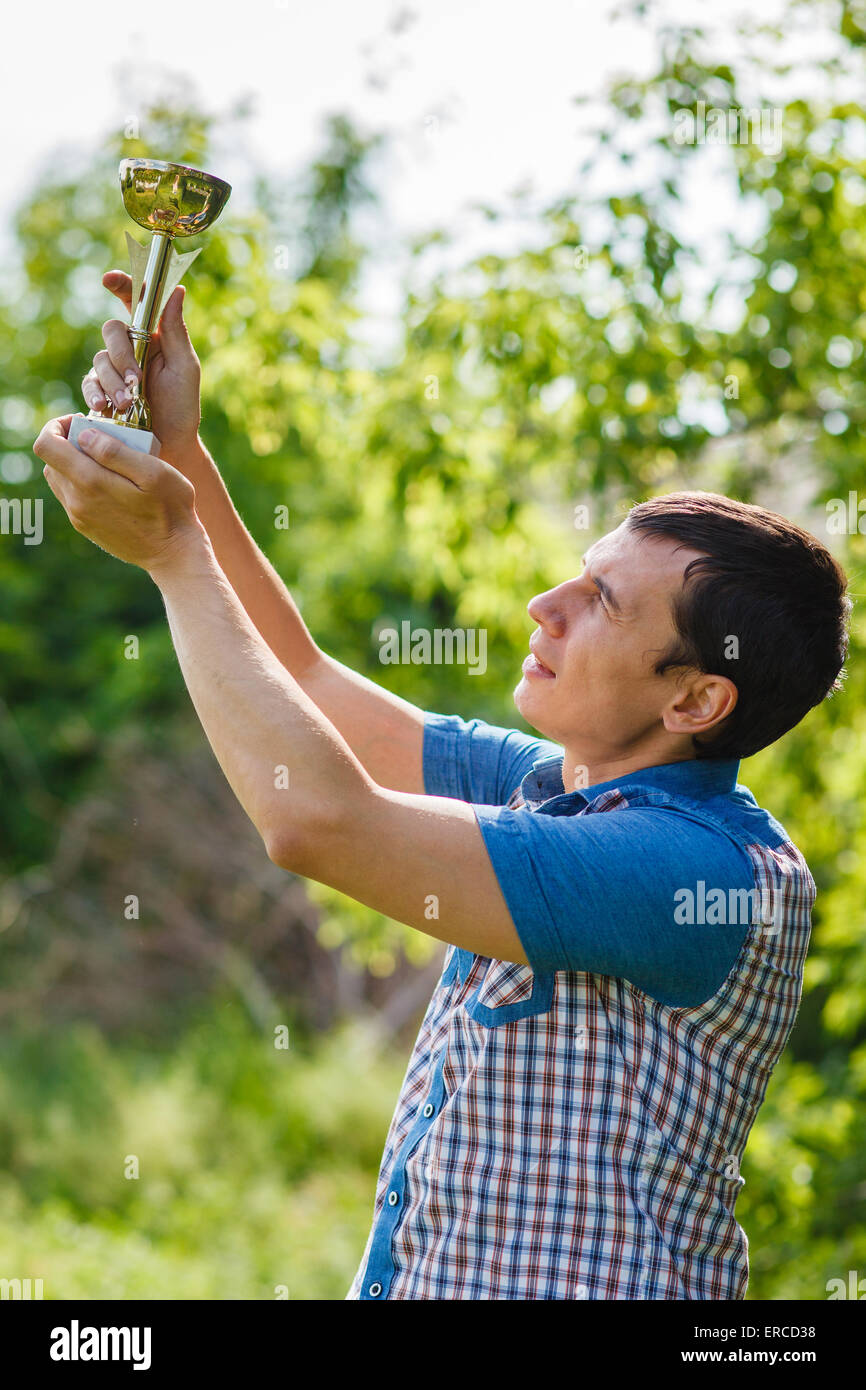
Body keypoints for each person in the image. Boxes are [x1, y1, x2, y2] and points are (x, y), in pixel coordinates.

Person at [33, 272, 850, 1300]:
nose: (542, 604)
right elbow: (308, 684)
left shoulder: (703, 871)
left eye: (597, 602)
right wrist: (183, 454)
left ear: (693, 701)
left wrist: (171, 554)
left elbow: (317, 820)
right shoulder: (555, 786)